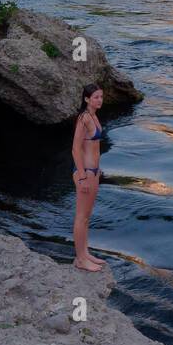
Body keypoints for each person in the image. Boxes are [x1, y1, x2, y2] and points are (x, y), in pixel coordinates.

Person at [71, 82, 106, 274]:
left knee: (87, 217)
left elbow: (94, 148)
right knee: (81, 216)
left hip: (93, 172)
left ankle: (85, 253)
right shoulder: (84, 119)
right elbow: (76, 149)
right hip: (84, 173)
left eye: (101, 96)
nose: (99, 100)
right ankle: (80, 259)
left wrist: (97, 171)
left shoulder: (94, 116)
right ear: (87, 99)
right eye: (96, 97)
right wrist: (83, 176)